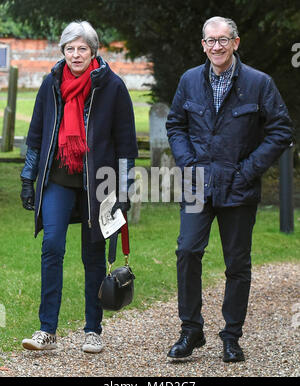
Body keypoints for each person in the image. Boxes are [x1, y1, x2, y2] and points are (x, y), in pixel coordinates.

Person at [166, 16, 292, 362]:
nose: (216, 46)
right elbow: (175, 124)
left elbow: (281, 130)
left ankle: (231, 336)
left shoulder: (258, 83)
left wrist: (248, 169)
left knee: (237, 263)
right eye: (210, 41)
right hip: (196, 183)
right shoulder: (190, 80)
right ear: (203, 44)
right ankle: (191, 330)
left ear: (236, 42)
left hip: (238, 185)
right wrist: (188, 163)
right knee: (187, 252)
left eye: (223, 40)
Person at [20, 21, 138, 353]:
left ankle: (93, 330)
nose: (76, 54)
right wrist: (28, 180)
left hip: (97, 184)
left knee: (93, 256)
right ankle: (47, 331)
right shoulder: (51, 83)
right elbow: (35, 137)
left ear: (93, 51)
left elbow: (127, 146)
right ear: (63, 51)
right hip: (57, 179)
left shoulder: (112, 86)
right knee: (52, 247)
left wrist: (125, 191)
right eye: (70, 48)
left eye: (82, 48)